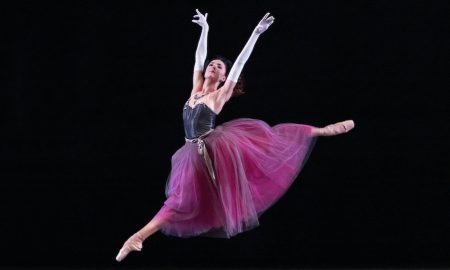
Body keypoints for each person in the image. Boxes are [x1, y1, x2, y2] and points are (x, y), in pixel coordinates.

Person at [115, 9, 354, 262]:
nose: (212, 65)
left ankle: (320, 130)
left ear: (223, 78)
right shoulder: (196, 89)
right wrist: (205, 30)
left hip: (213, 149)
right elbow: (199, 57)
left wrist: (255, 34)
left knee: (267, 142)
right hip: (190, 153)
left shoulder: (218, 96)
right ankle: (138, 237)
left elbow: (240, 62)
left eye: (218, 66)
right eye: (212, 64)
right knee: (179, 201)